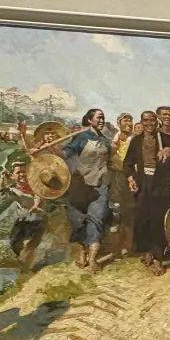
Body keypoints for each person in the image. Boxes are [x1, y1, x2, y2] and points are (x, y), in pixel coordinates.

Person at [125, 110, 170, 275]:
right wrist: (131, 178)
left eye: (152, 120)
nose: (149, 124)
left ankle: (158, 258)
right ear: (142, 122)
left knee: (158, 220)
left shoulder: (166, 139)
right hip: (143, 184)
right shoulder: (136, 141)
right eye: (145, 120)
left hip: (162, 185)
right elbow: (127, 163)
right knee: (142, 219)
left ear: (157, 121)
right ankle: (147, 250)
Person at [62, 108, 113, 272]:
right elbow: (65, 154)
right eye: (99, 117)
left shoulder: (105, 140)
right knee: (78, 221)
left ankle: (92, 259)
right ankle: (82, 252)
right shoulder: (81, 137)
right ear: (90, 120)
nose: (102, 120)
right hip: (81, 185)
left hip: (101, 185)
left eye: (103, 117)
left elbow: (111, 160)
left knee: (96, 220)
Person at [0, 161, 46, 269]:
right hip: (22, 222)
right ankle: (22, 264)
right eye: (18, 172)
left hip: (38, 221)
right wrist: (2, 179)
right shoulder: (13, 189)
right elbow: (1, 192)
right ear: (12, 176)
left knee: (28, 245)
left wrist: (36, 205)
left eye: (24, 172)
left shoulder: (36, 185)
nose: (22, 175)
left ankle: (24, 269)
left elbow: (39, 196)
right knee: (14, 245)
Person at [108, 112, 136, 255]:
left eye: (130, 121)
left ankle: (128, 245)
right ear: (119, 123)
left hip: (130, 176)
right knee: (116, 211)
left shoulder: (134, 139)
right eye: (125, 121)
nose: (129, 123)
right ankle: (115, 246)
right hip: (117, 176)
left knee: (129, 211)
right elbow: (111, 157)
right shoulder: (115, 139)